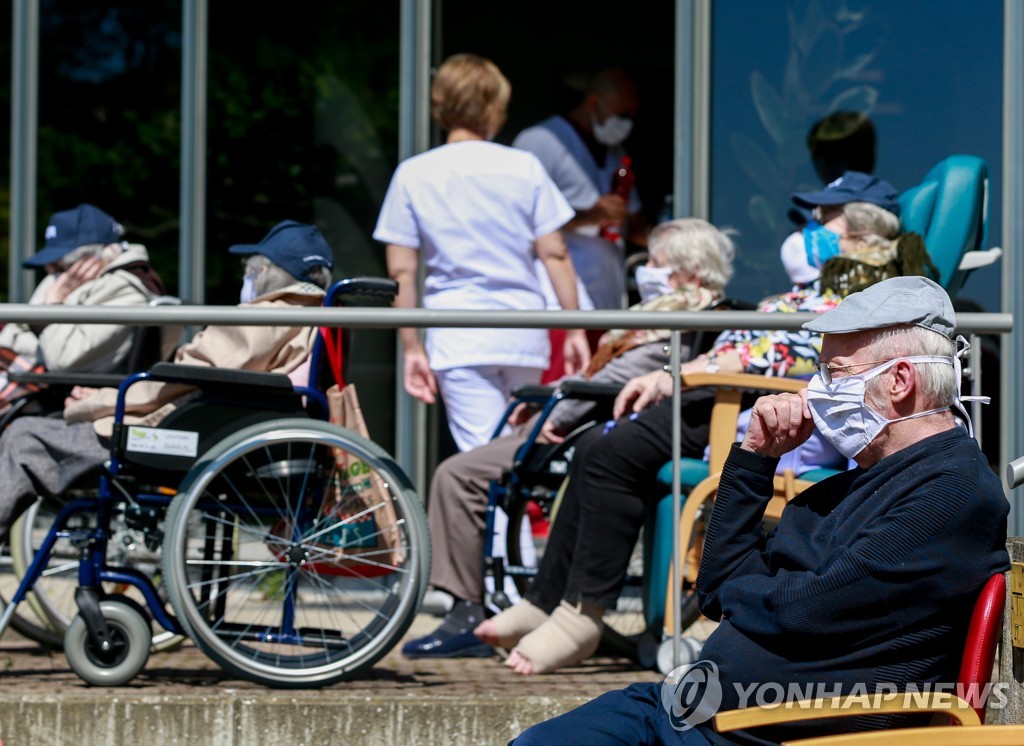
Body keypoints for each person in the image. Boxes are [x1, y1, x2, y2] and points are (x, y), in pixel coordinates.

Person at [508, 275, 1009, 745]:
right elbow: (715, 589)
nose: (814, 391)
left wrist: (740, 595)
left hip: (747, 728)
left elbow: (802, 610)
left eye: (834, 373)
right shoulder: (849, 485)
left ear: (899, 380)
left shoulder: (952, 491)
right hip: (693, 713)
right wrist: (754, 459)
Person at [474, 175, 928, 675]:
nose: (809, 229)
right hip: (719, 391)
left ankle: (582, 615)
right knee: (597, 450)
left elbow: (790, 351)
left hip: (742, 399)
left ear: (862, 231)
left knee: (613, 451)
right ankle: (547, 600)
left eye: (825, 220)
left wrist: (679, 375)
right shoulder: (817, 286)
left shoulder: (868, 289)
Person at [401, 218, 736, 659]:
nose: (645, 269)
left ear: (689, 272)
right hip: (575, 419)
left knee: (457, 474)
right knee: (467, 470)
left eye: (656, 261)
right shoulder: (663, 315)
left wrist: (552, 410)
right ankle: (522, 602)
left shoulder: (676, 320)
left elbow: (615, 378)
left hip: (579, 425)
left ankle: (465, 609)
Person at [0, 220, 333, 544]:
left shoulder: (265, 318)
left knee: (24, 436)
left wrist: (95, 403)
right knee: (35, 432)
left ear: (263, 272)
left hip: (177, 435)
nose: (246, 278)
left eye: (250, 270)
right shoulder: (312, 315)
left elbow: (174, 382)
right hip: (204, 426)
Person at [373, 53, 590, 453]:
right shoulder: (523, 167)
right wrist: (575, 329)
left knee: (482, 461)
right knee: (518, 456)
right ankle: (516, 519)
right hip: (523, 332)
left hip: (458, 334)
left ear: (441, 106)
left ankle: (505, 520)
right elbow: (555, 254)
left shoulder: (414, 173)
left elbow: (402, 273)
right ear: (494, 107)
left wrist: (411, 348)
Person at [0, 204, 169, 409]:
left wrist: (53, 304)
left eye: (58, 264)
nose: (51, 271)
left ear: (90, 260)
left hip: (59, 399)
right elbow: (8, 337)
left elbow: (61, 360)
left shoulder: (123, 290)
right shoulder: (68, 281)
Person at [512, 68, 644, 311]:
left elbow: (634, 223)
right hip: (558, 301)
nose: (625, 124)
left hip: (607, 297)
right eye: (621, 114)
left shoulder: (616, 153)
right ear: (594, 102)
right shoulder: (541, 140)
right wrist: (590, 216)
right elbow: (521, 218)